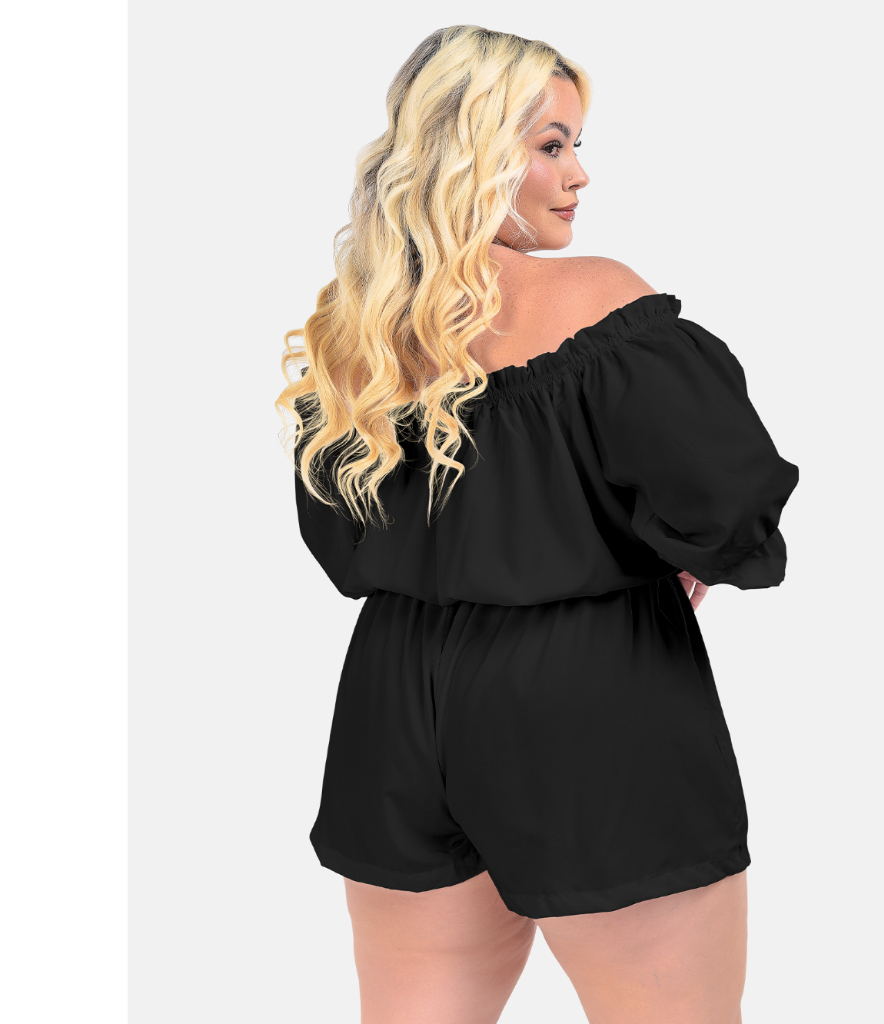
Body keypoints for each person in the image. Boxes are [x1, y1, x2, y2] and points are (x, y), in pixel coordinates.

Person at [277, 24, 798, 1024]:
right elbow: (728, 500)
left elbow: (339, 542)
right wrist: (684, 555)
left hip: (394, 700)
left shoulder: (358, 331)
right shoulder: (596, 299)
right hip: (587, 691)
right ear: (472, 152)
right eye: (551, 145)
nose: (578, 175)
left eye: (576, 146)